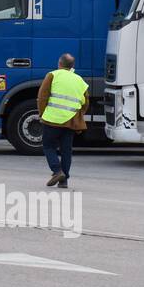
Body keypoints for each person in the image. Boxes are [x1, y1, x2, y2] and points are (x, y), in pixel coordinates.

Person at [37, 53, 88, 187]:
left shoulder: (53, 75)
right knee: (66, 150)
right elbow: (85, 103)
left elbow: (42, 96)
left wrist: (42, 114)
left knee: (48, 146)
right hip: (71, 121)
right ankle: (64, 181)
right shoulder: (80, 80)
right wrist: (78, 116)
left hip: (52, 118)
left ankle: (57, 170)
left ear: (59, 64)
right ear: (72, 66)